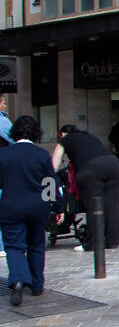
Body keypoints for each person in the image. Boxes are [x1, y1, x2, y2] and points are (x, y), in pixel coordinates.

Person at [0, 116, 57, 305]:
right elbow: (50, 183)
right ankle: (37, 285)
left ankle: (18, 279)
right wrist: (56, 207)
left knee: (14, 246)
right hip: (38, 206)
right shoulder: (41, 155)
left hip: (11, 206)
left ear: (14, 132)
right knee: (36, 245)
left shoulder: (4, 154)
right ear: (35, 133)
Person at [52, 124, 119, 250]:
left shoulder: (65, 139)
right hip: (113, 164)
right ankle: (113, 240)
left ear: (62, 134)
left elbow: (54, 165)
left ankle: (92, 243)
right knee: (112, 205)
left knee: (93, 206)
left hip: (90, 170)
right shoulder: (89, 137)